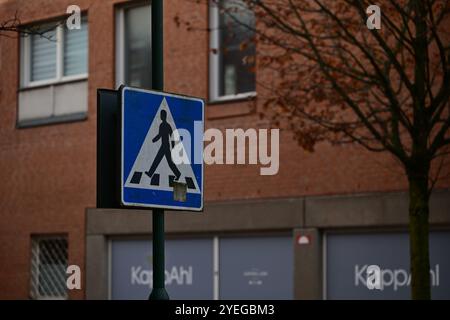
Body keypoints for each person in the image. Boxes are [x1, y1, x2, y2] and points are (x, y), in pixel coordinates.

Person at [145, 110, 181, 181]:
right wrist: (154, 140)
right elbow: (160, 135)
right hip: (164, 145)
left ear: (164, 116)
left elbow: (172, 136)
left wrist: (173, 147)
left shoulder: (166, 125)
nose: (161, 116)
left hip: (166, 146)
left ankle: (178, 174)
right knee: (159, 160)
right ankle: (150, 173)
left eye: (161, 115)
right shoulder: (163, 125)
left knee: (166, 162)